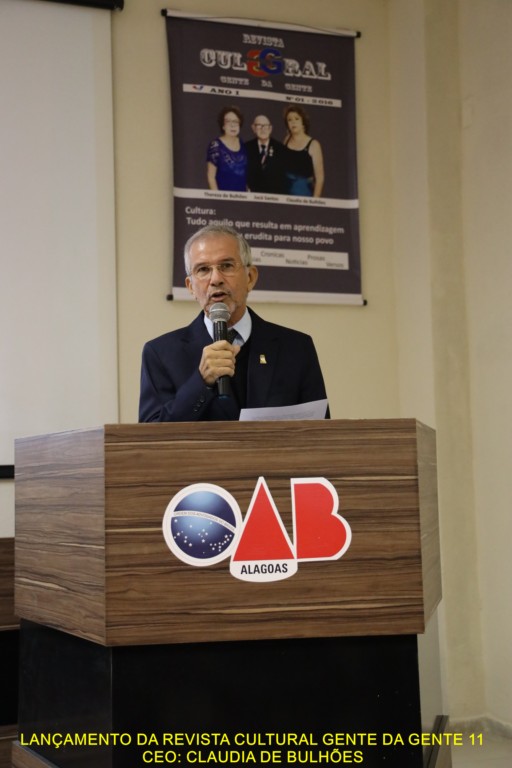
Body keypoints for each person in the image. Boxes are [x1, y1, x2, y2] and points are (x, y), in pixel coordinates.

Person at [139, 225, 328, 422]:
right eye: (203, 269)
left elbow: (322, 430)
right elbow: (151, 434)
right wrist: (201, 382)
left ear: (250, 278)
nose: (216, 279)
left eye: (226, 266)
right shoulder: (160, 354)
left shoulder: (296, 348)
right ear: (191, 287)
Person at [283, 104, 324, 197]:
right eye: (289, 120)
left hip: (304, 194)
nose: (293, 122)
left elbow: (320, 179)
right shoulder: (286, 140)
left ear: (303, 122)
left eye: (296, 119)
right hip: (285, 193)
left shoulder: (314, 145)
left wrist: (315, 202)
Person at [206, 106, 247, 192]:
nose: (232, 125)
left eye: (235, 121)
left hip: (242, 197)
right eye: (228, 121)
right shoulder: (215, 146)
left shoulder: (243, 144)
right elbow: (211, 177)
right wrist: (217, 198)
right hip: (223, 197)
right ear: (223, 126)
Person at [246, 114, 287, 194]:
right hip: (253, 196)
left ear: (270, 129)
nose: (263, 129)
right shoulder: (247, 147)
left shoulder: (280, 149)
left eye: (266, 126)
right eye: (259, 126)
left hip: (274, 196)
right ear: (253, 128)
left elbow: (283, 178)